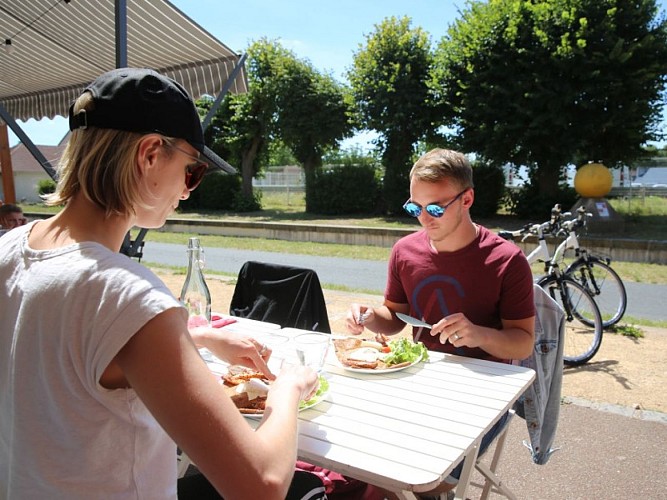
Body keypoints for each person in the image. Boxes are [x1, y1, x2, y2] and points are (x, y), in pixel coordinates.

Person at [0, 68, 322, 500]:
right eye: (192, 171)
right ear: (150, 153)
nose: (188, 191)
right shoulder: (127, 295)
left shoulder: (11, 249)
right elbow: (260, 485)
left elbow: (66, 346)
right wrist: (287, 390)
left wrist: (201, 337)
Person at [345, 148, 535, 498]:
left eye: (434, 208)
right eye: (414, 207)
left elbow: (523, 342)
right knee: (357, 451)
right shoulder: (405, 251)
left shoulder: (507, 260)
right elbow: (394, 318)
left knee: (417, 481)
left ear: (468, 199)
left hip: (483, 394)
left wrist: (479, 334)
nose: (423, 219)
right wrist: (371, 317)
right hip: (416, 380)